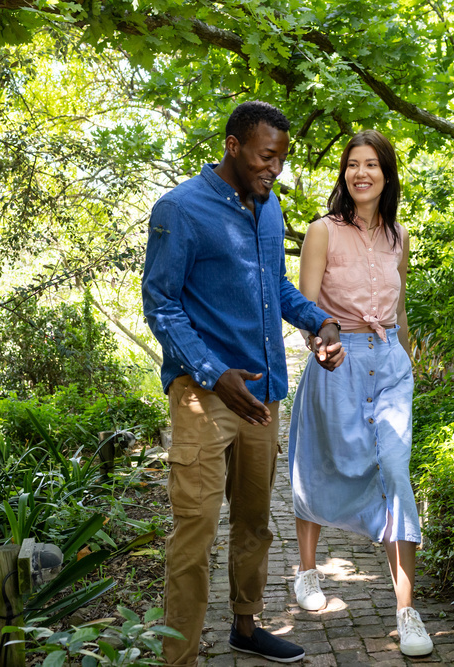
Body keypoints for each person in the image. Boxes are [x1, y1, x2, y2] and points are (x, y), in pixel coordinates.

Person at [142, 100, 345, 666]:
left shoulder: (269, 205)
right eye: (265, 157)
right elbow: (160, 305)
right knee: (196, 530)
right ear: (233, 146)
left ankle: (246, 627)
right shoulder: (180, 209)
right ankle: (178, 658)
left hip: (262, 395)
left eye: (280, 159)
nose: (274, 169)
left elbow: (274, 286)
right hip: (203, 396)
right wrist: (212, 373)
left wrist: (319, 321)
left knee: (255, 521)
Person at [287, 130, 434, 657]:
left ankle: (407, 612)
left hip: (389, 364)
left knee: (395, 471)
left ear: (386, 174)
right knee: (318, 461)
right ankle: (307, 572)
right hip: (337, 360)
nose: (361, 173)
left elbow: (399, 309)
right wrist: (320, 345)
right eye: (353, 164)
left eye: (371, 164)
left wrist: (407, 358)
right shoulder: (322, 231)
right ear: (344, 174)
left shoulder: (400, 236)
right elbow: (306, 307)